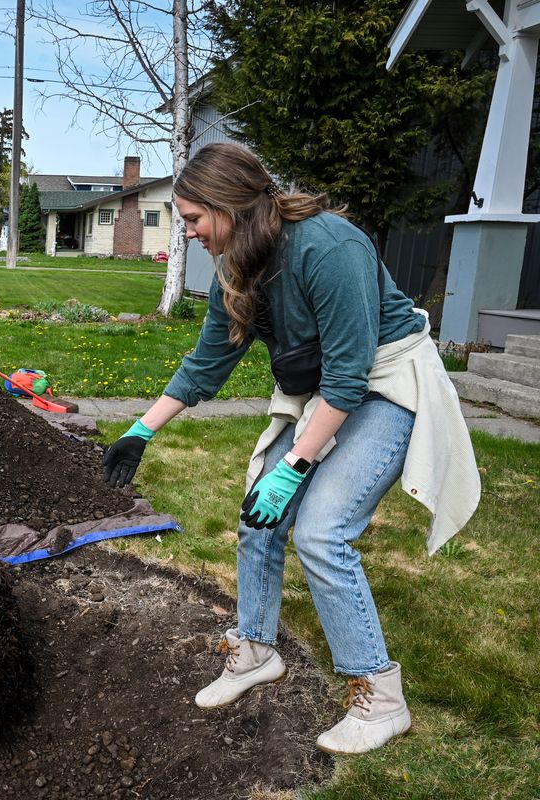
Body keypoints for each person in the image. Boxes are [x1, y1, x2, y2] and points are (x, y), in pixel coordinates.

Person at [102, 142, 479, 755]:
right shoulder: (237, 261)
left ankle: (382, 697)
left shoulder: (330, 248)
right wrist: (142, 430)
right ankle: (254, 650)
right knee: (261, 513)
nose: (189, 231)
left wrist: (296, 466)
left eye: (194, 218)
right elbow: (209, 361)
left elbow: (350, 377)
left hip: (385, 384)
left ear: (229, 206)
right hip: (328, 390)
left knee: (322, 532)